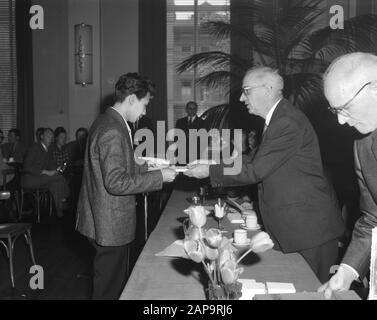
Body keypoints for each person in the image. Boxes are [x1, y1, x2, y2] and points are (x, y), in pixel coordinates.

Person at [185, 66, 345, 283]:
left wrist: (209, 171)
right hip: (296, 228)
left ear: (268, 89)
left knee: (309, 293)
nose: (242, 98)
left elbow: (255, 170)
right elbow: (252, 159)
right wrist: (213, 162)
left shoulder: (286, 122)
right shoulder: (278, 118)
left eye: (247, 90)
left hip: (309, 231)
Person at [75, 73, 177, 300]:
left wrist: (146, 166)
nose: (145, 112)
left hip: (103, 218)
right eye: (145, 104)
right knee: (109, 289)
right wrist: (159, 176)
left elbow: (119, 167)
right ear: (131, 99)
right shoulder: (113, 130)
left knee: (112, 283)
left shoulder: (109, 121)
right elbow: (116, 182)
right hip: (110, 223)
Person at [318, 52, 377, 298]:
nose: (341, 121)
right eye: (335, 110)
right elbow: (373, 218)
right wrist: (347, 272)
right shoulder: (362, 145)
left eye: (345, 108)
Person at [22, 128, 70, 218]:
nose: (51, 139)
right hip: (30, 179)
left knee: (57, 183)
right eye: (48, 136)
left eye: (52, 137)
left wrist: (58, 168)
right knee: (58, 177)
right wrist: (46, 172)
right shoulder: (34, 147)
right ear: (42, 137)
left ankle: (59, 212)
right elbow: (26, 166)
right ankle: (64, 200)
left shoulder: (48, 150)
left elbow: (51, 164)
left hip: (40, 179)